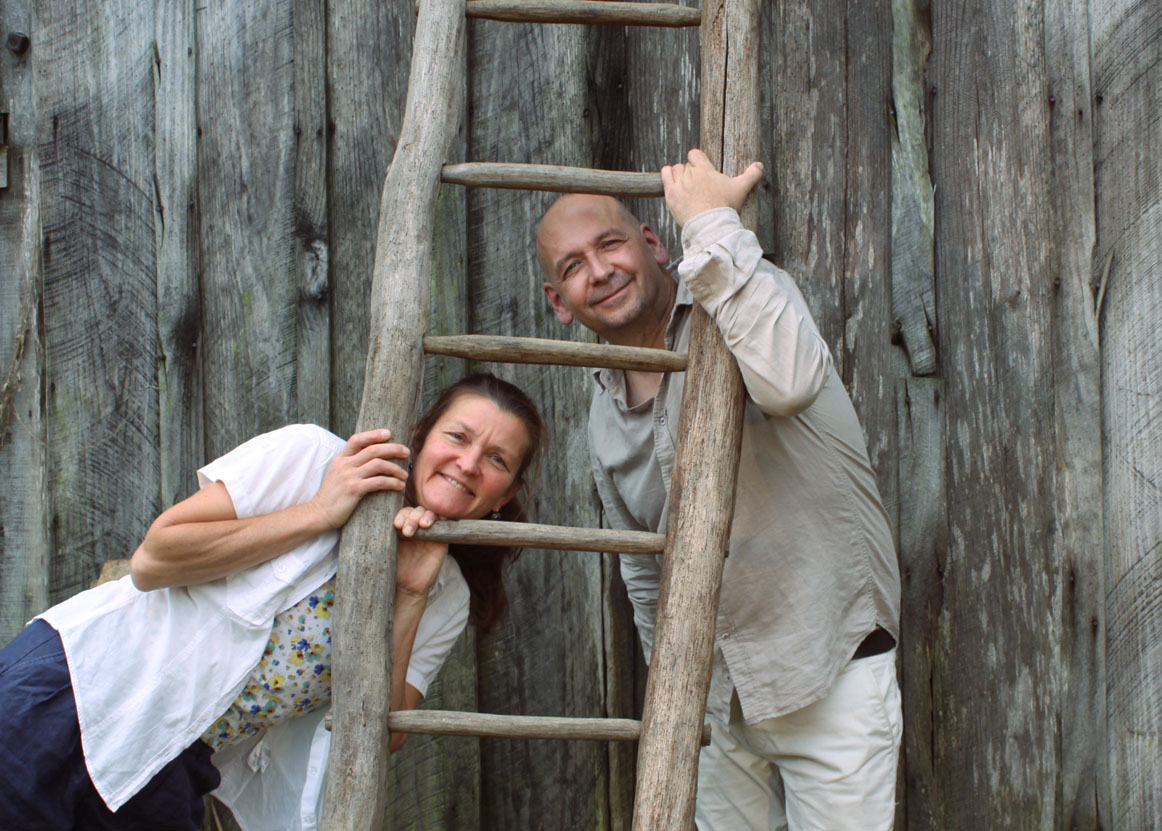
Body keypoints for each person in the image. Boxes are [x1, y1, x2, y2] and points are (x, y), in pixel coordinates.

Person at [0, 372, 546, 831]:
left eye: (497, 459)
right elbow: (155, 560)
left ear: (506, 495)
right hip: (77, 693)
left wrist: (409, 597)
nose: (469, 462)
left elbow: (388, 732)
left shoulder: (445, 595)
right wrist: (320, 511)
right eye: (457, 436)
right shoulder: (312, 459)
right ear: (421, 437)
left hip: (177, 761)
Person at [536, 150, 902, 830]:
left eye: (609, 243)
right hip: (715, 701)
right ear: (560, 303)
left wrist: (709, 220)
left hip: (825, 664)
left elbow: (790, 381)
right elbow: (646, 571)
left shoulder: (745, 296)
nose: (600, 271)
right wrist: (678, 692)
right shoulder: (602, 410)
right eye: (573, 267)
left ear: (651, 243)